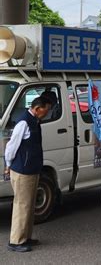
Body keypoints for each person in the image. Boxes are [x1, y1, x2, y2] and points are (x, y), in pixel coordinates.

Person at [4, 96, 51, 252]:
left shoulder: (35, 121)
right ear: (38, 109)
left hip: (32, 169)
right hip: (22, 170)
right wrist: (8, 165)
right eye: (46, 109)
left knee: (30, 205)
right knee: (22, 205)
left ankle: (26, 237)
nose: (47, 113)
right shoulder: (24, 122)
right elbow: (12, 145)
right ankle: (16, 241)